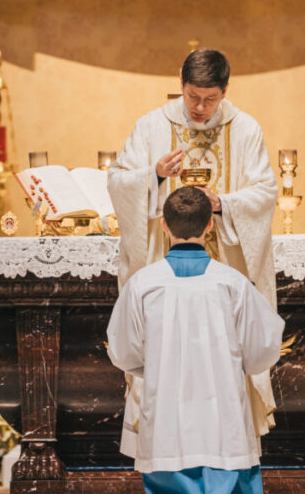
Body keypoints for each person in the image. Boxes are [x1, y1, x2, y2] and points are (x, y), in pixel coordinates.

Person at [108, 48, 279, 456]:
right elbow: (118, 181)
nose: (200, 108)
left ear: (224, 92)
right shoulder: (152, 126)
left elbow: (265, 191)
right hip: (164, 274)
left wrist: (221, 204)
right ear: (181, 86)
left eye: (210, 99)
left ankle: (229, 449)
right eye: (192, 97)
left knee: (225, 362)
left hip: (226, 272)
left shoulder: (246, 129)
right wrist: (153, 174)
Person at [106, 187, 285, 494]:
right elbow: (262, 352)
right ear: (210, 225)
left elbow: (124, 353)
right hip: (223, 423)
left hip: (166, 425)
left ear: (164, 224)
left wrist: (158, 367)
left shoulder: (143, 285)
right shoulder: (232, 284)